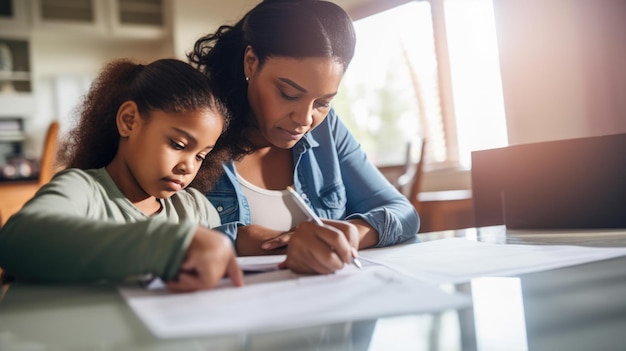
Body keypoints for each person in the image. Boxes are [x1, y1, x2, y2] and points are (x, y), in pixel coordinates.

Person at [188, 0, 420, 274]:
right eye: (289, 94)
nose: (305, 119)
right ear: (251, 63)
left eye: (322, 102)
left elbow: (402, 212)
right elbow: (151, 234)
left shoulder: (326, 129)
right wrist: (261, 241)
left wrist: (352, 234)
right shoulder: (194, 126)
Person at [0, 58, 244, 292]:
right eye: (178, 145)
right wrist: (167, 244)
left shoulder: (196, 209)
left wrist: (250, 239)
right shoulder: (83, 190)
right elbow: (16, 241)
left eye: (200, 156)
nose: (188, 166)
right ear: (129, 121)